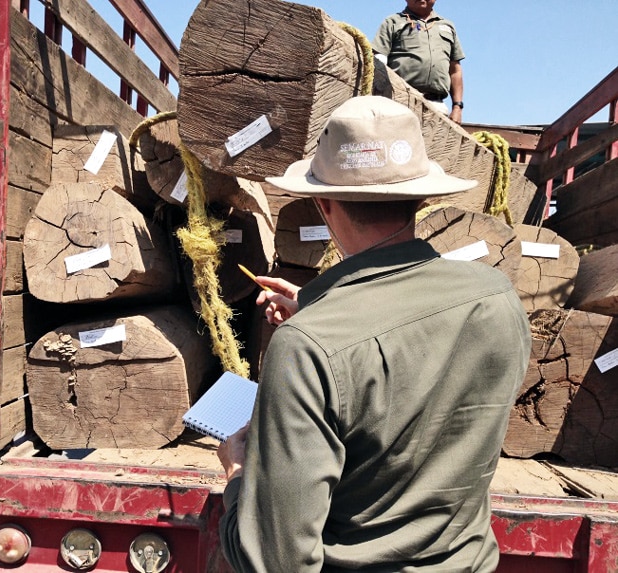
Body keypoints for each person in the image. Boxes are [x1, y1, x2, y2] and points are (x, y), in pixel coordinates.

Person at [216, 96, 531, 572]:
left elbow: (276, 562)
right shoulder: (496, 297)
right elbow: (411, 348)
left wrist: (238, 476)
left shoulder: (305, 348)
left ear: (323, 204)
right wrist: (320, 310)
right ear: (422, 199)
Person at [371, 0, 465, 123]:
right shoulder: (392, 22)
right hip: (399, 104)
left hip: (437, 106)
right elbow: (378, 62)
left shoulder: (447, 26)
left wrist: (457, 107)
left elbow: (455, 70)